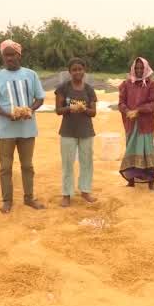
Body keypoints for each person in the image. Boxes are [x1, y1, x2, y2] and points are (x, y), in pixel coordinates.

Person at [0, 39, 46, 213]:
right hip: (6, 130)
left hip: (27, 129)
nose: (9, 58)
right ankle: (7, 200)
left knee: (27, 165)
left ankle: (29, 198)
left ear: (19, 55)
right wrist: (7, 114)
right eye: (6, 55)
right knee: (5, 167)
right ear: (2, 57)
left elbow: (40, 98)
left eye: (13, 55)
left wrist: (29, 110)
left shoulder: (31, 75)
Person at [55, 57, 98, 207]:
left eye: (80, 69)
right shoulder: (63, 88)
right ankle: (67, 194)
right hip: (67, 131)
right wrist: (70, 108)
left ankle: (85, 190)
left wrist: (84, 108)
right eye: (74, 70)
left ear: (84, 71)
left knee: (87, 162)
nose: (77, 72)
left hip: (86, 130)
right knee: (67, 163)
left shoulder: (89, 89)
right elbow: (58, 110)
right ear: (69, 72)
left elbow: (93, 113)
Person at [118, 56, 154, 189]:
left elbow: (153, 104)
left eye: (141, 68)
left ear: (146, 69)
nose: (139, 70)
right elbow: (121, 103)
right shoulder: (126, 84)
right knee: (131, 150)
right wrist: (127, 111)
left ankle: (151, 182)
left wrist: (139, 110)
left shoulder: (152, 85)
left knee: (147, 151)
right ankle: (131, 181)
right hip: (131, 124)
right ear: (133, 69)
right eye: (137, 68)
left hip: (145, 125)